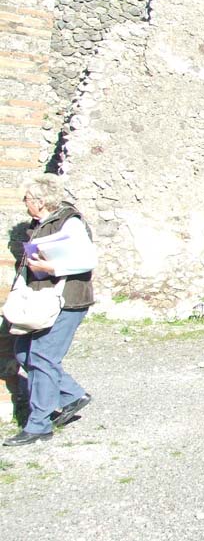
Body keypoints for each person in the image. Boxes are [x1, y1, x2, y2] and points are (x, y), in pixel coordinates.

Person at [3, 174, 97, 447]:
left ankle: (39, 425)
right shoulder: (42, 223)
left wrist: (51, 267)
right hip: (42, 299)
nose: (25, 204)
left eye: (27, 199)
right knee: (24, 351)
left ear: (40, 200)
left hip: (67, 301)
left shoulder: (70, 222)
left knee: (43, 356)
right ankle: (71, 395)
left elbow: (88, 260)